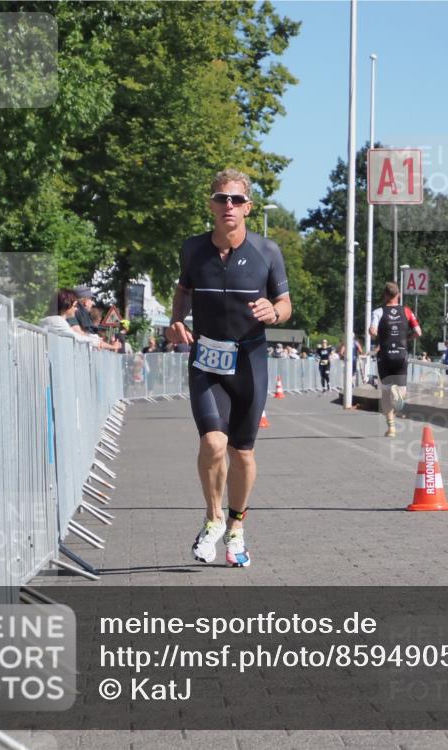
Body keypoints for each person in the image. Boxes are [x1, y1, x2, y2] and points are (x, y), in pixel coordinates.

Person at [166, 168, 290, 568]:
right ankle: (213, 518)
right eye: (222, 199)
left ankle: (236, 525)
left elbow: (286, 305)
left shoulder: (267, 251)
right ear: (211, 204)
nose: (229, 206)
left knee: (242, 453)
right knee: (212, 443)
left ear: (248, 207)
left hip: (249, 361)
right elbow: (183, 290)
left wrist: (274, 311)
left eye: (236, 200)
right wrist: (177, 320)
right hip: (206, 359)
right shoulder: (193, 249)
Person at [369, 281, 421, 437]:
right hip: (401, 353)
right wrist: (406, 337)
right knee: (402, 392)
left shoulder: (378, 311)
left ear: (385, 295)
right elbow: (418, 332)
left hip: (385, 355)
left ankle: (391, 428)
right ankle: (398, 391)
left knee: (385, 394)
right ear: (398, 295)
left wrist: (376, 334)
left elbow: (372, 331)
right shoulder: (407, 311)